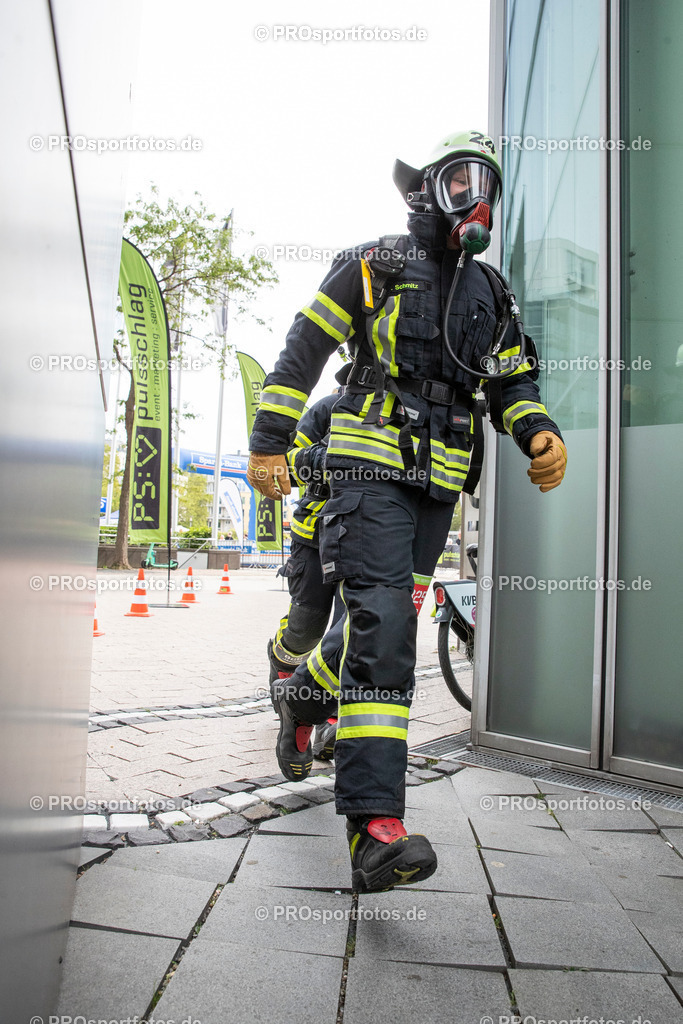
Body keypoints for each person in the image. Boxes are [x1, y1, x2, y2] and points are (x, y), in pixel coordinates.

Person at [248, 130, 567, 893]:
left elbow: (510, 378)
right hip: (365, 473)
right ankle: (374, 828)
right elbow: (304, 346)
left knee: (374, 625)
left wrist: (536, 429)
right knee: (388, 634)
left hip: (435, 488)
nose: (475, 199)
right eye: (461, 181)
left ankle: (300, 695)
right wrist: (268, 440)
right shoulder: (373, 262)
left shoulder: (491, 294)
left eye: (486, 185)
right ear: (426, 189)